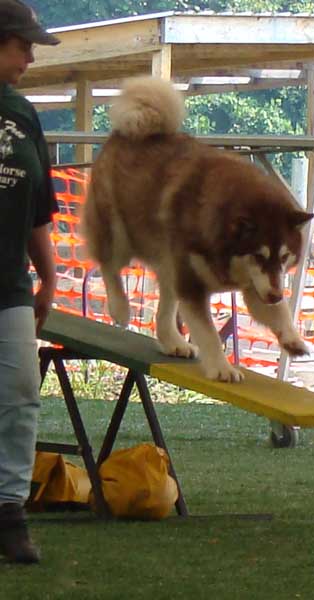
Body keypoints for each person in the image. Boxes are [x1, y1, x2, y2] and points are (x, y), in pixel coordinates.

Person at [0, 0, 60, 564]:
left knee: (20, 397)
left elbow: (40, 204)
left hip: (11, 287)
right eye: (24, 45)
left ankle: (9, 513)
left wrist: (49, 274)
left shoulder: (23, 114)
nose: (31, 57)